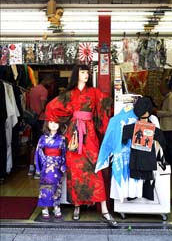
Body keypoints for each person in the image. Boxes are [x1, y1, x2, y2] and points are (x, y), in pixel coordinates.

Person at [45, 64, 118, 227]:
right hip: (74, 136)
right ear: (76, 74)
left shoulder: (94, 92)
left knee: (95, 169)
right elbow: (51, 107)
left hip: (90, 134)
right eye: (83, 72)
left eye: (87, 72)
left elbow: (106, 103)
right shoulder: (69, 94)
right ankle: (77, 205)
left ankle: (104, 209)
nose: (86, 75)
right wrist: (56, 127)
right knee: (75, 169)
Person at [34, 119, 67, 219]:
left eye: (56, 122)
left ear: (59, 124)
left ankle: (56, 206)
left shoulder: (62, 138)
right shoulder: (43, 138)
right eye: (51, 122)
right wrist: (44, 163)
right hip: (46, 165)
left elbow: (64, 153)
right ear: (47, 124)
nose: (53, 125)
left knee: (57, 186)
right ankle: (45, 207)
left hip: (57, 165)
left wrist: (62, 164)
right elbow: (38, 152)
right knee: (45, 186)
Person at [27, 74, 55, 178]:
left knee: (34, 145)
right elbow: (43, 107)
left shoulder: (33, 90)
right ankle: (39, 169)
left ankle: (31, 168)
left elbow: (29, 105)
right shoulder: (44, 91)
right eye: (51, 83)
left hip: (33, 119)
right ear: (47, 81)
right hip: (41, 120)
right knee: (43, 145)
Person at [152, 79, 172, 170]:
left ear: (165, 88)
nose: (160, 91)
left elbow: (170, 112)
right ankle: (171, 164)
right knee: (168, 147)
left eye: (161, 89)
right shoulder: (167, 98)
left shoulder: (171, 98)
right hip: (166, 127)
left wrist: (157, 112)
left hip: (170, 127)